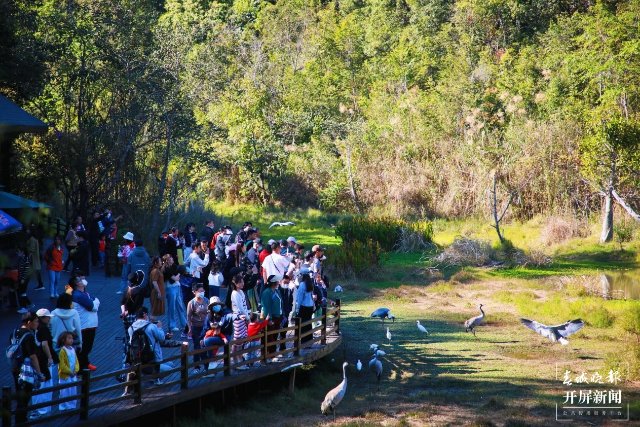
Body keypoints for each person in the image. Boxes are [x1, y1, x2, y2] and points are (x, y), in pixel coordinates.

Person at [11, 312, 44, 423]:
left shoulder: (15, 332)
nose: (37, 324)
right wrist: (39, 373)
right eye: (36, 322)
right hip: (26, 370)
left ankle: (19, 420)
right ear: (29, 322)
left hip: (15, 367)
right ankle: (21, 421)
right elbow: (33, 356)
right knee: (25, 397)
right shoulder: (28, 336)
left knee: (19, 393)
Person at [31, 308, 57, 418]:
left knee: (39, 384)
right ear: (43, 318)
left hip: (37, 359)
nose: (49, 319)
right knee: (46, 383)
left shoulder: (35, 328)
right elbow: (44, 344)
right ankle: (43, 410)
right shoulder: (44, 329)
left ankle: (38, 409)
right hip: (44, 360)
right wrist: (50, 357)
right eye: (48, 317)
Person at [71, 277, 100, 371]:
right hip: (85, 326)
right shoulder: (78, 295)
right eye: (79, 280)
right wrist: (96, 301)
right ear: (77, 284)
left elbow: (92, 299)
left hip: (89, 326)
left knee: (87, 347)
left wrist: (94, 301)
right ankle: (81, 369)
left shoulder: (83, 294)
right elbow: (93, 306)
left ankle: (86, 363)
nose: (82, 280)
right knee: (84, 348)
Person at [187, 284, 208, 374]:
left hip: (205, 327)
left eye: (203, 291)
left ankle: (206, 365)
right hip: (196, 327)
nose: (202, 292)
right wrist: (189, 329)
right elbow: (188, 317)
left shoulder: (207, 300)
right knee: (197, 346)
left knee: (205, 345)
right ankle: (196, 367)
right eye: (200, 291)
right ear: (194, 292)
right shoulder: (191, 303)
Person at [260, 275, 283, 361]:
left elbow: (280, 303)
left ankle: (272, 354)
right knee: (268, 337)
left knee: (274, 336)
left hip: (278, 317)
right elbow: (266, 306)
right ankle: (265, 356)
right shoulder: (267, 292)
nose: (279, 282)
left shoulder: (276, 291)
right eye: (277, 281)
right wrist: (268, 319)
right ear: (274, 282)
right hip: (271, 318)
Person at [230, 273, 250, 370]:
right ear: (236, 283)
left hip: (244, 317)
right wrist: (247, 317)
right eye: (240, 282)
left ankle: (239, 358)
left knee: (242, 338)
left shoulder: (241, 292)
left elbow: (245, 306)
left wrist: (248, 315)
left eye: (243, 281)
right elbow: (240, 307)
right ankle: (235, 361)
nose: (243, 283)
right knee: (237, 339)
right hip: (238, 318)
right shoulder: (234, 293)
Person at [57, 331, 79, 411]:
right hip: (66, 375)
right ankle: (64, 406)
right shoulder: (62, 351)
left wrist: (76, 370)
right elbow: (62, 365)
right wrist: (70, 372)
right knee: (65, 391)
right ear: (63, 340)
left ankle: (72, 405)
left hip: (73, 374)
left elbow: (76, 361)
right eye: (69, 338)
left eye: (72, 338)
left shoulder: (73, 349)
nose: (71, 340)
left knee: (73, 390)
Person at [163, 254, 186, 332]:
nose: (172, 259)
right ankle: (172, 325)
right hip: (170, 288)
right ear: (167, 260)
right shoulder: (166, 268)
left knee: (180, 306)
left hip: (177, 287)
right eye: (170, 258)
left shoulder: (173, 266)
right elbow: (175, 278)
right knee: (171, 308)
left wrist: (179, 271)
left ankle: (184, 324)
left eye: (172, 257)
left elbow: (177, 276)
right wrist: (180, 272)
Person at [295, 273, 316, 344]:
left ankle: (304, 341)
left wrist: (297, 308)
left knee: (303, 324)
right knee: (309, 323)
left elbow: (300, 297)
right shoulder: (310, 284)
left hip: (304, 306)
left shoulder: (302, 285)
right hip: (310, 306)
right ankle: (309, 340)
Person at [16, 246, 33, 314]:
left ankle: (25, 306)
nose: (17, 253)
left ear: (22, 252)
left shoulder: (25, 259)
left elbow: (26, 269)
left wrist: (23, 278)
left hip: (24, 278)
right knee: (22, 292)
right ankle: (27, 305)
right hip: (22, 278)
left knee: (22, 292)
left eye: (18, 251)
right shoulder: (22, 258)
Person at [149, 256, 166, 323]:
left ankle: (153, 324)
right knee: (154, 310)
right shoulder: (155, 271)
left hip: (158, 292)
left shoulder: (157, 270)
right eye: (160, 261)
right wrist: (159, 292)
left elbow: (161, 272)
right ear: (156, 263)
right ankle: (152, 324)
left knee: (156, 310)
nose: (161, 262)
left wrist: (164, 264)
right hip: (156, 293)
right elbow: (154, 282)